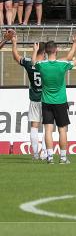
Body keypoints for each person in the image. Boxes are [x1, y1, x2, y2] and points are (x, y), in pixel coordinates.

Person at [34, 34, 76, 163]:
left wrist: (34, 51)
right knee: (62, 130)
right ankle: (62, 157)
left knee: (48, 130)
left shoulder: (42, 65)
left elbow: (34, 62)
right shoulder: (62, 65)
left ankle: (50, 157)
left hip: (46, 102)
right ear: (56, 50)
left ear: (45, 51)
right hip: (60, 102)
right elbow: (75, 60)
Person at [9, 31, 44, 160]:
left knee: (34, 127)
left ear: (35, 49)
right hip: (46, 99)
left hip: (34, 100)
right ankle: (45, 152)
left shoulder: (29, 63)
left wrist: (14, 43)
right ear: (44, 53)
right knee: (48, 127)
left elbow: (16, 56)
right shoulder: (47, 65)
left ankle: (35, 154)